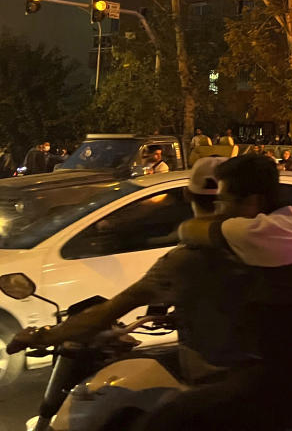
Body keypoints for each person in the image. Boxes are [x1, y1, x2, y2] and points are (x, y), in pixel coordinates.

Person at [5, 157, 263, 400]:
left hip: (220, 384)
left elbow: (106, 312)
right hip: (256, 375)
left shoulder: (187, 259)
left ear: (186, 195)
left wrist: (44, 336)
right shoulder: (264, 248)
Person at [170, 154, 292, 429]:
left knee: (169, 416)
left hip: (286, 387)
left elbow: (189, 229)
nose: (221, 209)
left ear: (253, 202)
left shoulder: (250, 231)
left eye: (225, 201)